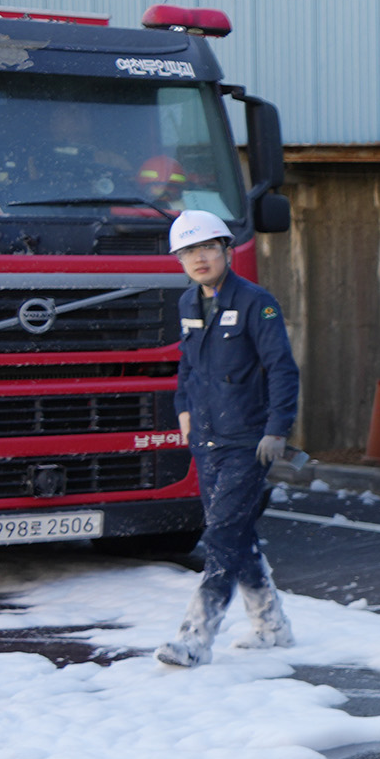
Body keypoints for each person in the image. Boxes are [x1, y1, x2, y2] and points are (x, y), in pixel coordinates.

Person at [158, 206, 298, 667]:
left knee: (219, 537)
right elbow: (187, 365)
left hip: (247, 441)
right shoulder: (188, 304)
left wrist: (277, 429)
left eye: (205, 248)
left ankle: (195, 639)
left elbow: (282, 368)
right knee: (236, 534)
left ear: (225, 251)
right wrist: (182, 408)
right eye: (187, 252)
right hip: (207, 438)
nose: (197, 259)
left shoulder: (259, 302)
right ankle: (272, 626)